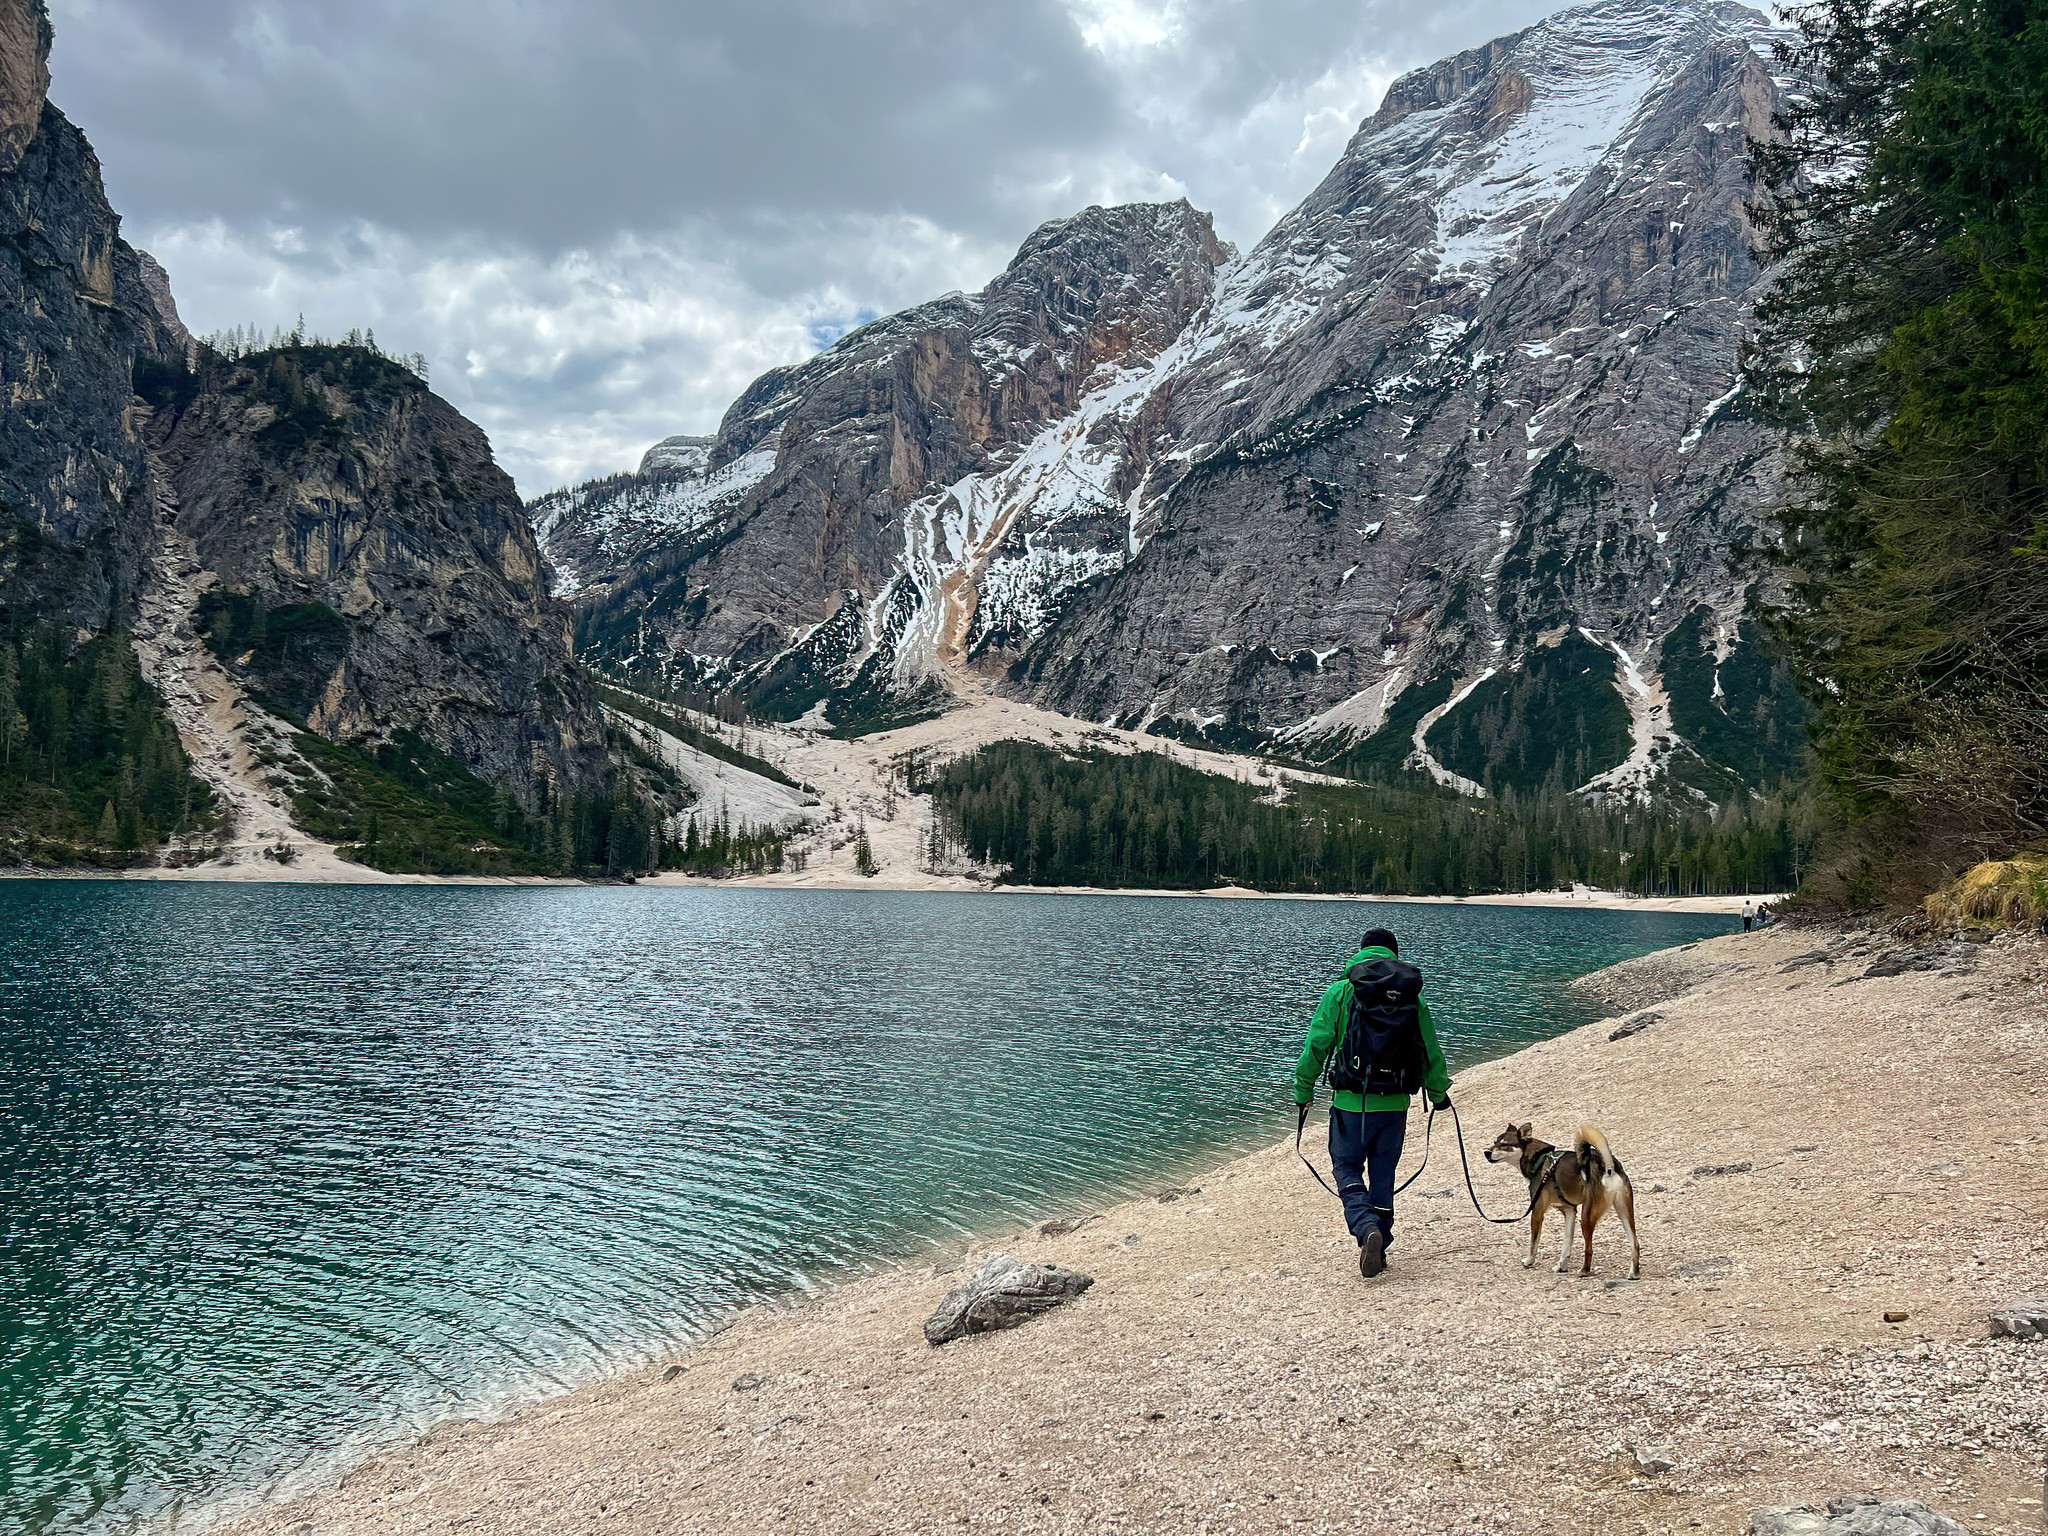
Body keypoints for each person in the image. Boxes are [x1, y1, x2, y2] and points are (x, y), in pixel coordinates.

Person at [1292, 927, 1451, 1280]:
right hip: (1394, 1103)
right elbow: (1429, 1051)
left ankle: (1366, 1229)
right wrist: (1438, 1095)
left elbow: (1317, 1045)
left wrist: (1304, 1091)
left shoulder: (1342, 991)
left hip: (1351, 1103)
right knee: (1383, 1173)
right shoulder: (1411, 996)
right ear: (1394, 954)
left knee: (1346, 1167)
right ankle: (1382, 1241)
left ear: (1360, 952)